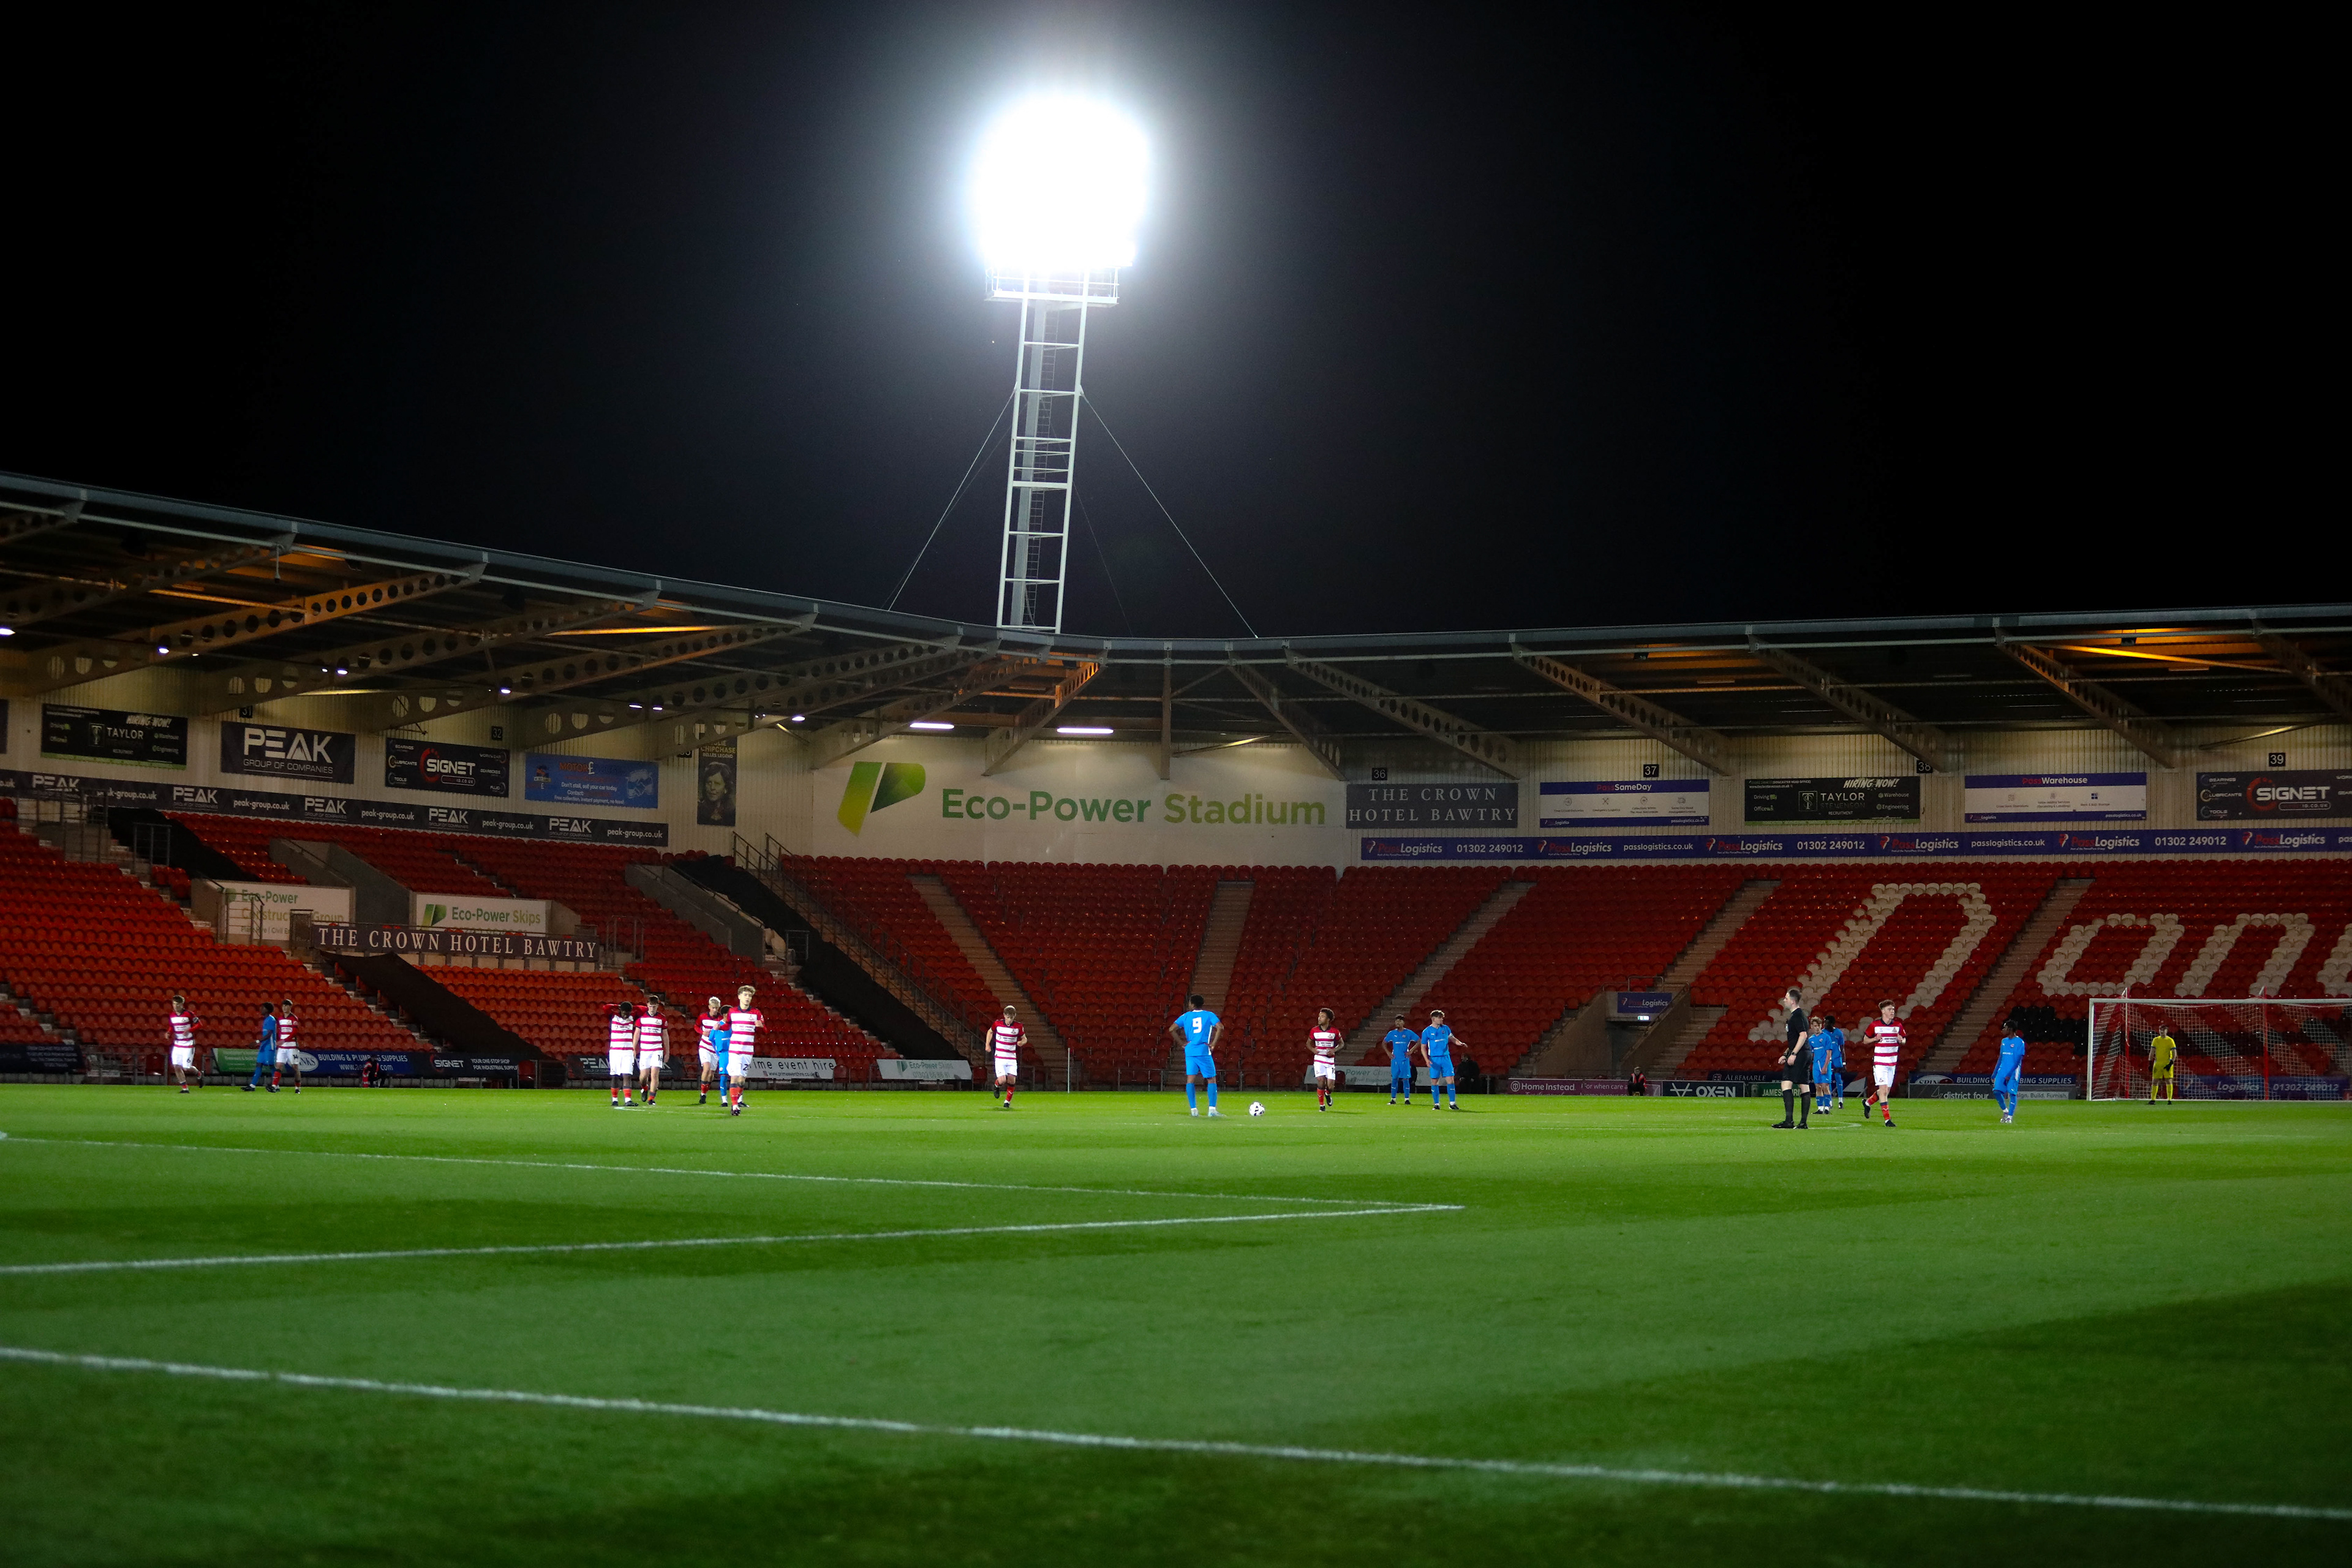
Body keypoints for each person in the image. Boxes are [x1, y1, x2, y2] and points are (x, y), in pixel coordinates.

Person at [1167, 995, 1223, 1118]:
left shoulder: (1186, 1016)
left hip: (1190, 1051)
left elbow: (1171, 1029)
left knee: (1190, 1080)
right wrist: (1213, 1044)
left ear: (1193, 1004)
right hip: (1203, 1050)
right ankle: (1212, 1110)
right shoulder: (1209, 1015)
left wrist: (1182, 1044)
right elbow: (1220, 1027)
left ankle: (1194, 1110)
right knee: (1211, 1079)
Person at [1861, 1001, 1905, 1127]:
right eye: (1890, 1009)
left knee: (1885, 1091)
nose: (1893, 1012)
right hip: (1880, 1062)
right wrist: (1875, 1039)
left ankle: (1868, 1103)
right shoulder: (1875, 1025)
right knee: (1884, 1091)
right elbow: (1865, 1040)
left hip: (1892, 1063)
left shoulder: (1898, 1025)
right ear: (1883, 1011)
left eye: (1893, 1009)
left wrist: (1901, 1041)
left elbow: (1904, 1039)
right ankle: (1887, 1120)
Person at [1774, 990, 1813, 1129]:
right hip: (1806, 1052)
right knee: (1804, 1085)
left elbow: (1803, 1036)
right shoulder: (1800, 1016)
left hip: (1800, 1053)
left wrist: (1794, 1054)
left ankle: (1789, 1121)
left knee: (1786, 1084)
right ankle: (1803, 1123)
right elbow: (1796, 1039)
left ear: (1793, 1001)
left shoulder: (1797, 1016)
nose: (1784, 1000)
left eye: (1786, 998)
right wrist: (1786, 1054)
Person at [724, 985, 763, 1117]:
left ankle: (737, 1101)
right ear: (739, 996)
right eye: (745, 995)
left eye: (750, 996)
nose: (748, 998)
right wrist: (719, 1026)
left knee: (742, 1079)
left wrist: (761, 1026)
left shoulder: (756, 1013)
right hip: (735, 1049)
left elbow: (765, 1030)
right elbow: (727, 1025)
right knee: (735, 1076)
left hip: (748, 1050)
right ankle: (735, 1106)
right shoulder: (732, 1012)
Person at [1420, 1010, 1463, 1110]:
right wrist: (1427, 1060)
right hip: (1434, 1059)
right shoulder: (1427, 1031)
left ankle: (1452, 1103)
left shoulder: (1445, 1028)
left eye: (1442, 1018)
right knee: (1435, 1081)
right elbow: (1423, 1047)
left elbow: (1453, 1039)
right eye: (1440, 1018)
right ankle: (1437, 1104)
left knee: (1451, 1080)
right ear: (1434, 1019)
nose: (1442, 1019)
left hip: (1445, 1058)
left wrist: (1460, 1043)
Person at [989, 1006, 1026, 1110]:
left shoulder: (1018, 1026)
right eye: (1008, 1017)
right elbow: (990, 1032)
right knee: (1002, 1080)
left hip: (1011, 1057)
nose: (1010, 1020)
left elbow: (1025, 1038)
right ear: (1004, 1015)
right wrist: (987, 1045)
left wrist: (1022, 1042)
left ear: (1015, 1016)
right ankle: (997, 1086)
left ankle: (1007, 1102)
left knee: (1012, 1080)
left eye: (1012, 1018)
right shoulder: (998, 1024)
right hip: (1000, 1057)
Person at [1993, 1020, 2028, 1123]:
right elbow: (2001, 1057)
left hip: (2013, 1071)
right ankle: (2005, 1111)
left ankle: (2010, 1117)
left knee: (2012, 1093)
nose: (2003, 1030)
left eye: (2005, 1028)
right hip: (2002, 1070)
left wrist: (2010, 1073)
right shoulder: (2004, 1041)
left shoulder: (2020, 1042)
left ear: (2011, 1029)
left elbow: (2018, 1060)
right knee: (1996, 1091)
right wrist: (1995, 1073)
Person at [166, 994, 202, 1093]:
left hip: (188, 1043)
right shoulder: (172, 1015)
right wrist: (169, 1033)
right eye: (174, 1004)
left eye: (178, 1004)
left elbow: (199, 1025)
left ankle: (199, 1073)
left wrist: (190, 1030)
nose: (176, 1006)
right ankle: (185, 1088)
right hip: (178, 1043)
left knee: (186, 1068)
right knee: (176, 1066)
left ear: (182, 1005)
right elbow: (172, 1027)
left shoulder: (189, 1014)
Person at [606, 1000, 638, 1107]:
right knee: (615, 1076)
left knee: (627, 1075)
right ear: (620, 1010)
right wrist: (618, 1006)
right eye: (624, 1012)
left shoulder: (632, 1018)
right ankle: (615, 1100)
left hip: (628, 1052)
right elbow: (606, 1008)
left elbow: (644, 1010)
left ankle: (628, 1100)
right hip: (615, 1051)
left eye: (628, 1012)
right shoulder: (613, 1017)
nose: (626, 1015)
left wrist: (633, 1007)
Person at [1310, 1008, 1342, 1110]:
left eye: (1322, 1016)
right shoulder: (1314, 1030)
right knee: (1321, 1081)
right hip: (1319, 1059)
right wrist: (1313, 1049)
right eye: (1319, 1016)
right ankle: (1322, 1106)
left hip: (1330, 1061)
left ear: (1328, 1019)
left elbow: (1341, 1044)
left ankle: (1327, 1094)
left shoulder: (1334, 1032)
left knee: (1331, 1086)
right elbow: (1308, 1043)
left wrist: (1334, 1050)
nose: (1319, 1018)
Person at [636, 1003, 668, 1106]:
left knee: (654, 1074)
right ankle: (645, 1088)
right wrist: (634, 1048)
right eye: (650, 1006)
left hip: (657, 1049)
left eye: (654, 1007)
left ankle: (651, 1099)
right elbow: (637, 1033)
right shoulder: (642, 1018)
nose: (652, 1009)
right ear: (648, 1005)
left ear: (657, 1006)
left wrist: (667, 1051)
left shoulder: (662, 1018)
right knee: (643, 1076)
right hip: (645, 1050)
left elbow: (665, 1035)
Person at [1381, 1015, 1417, 1104]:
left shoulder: (1408, 1033)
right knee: (1394, 1079)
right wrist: (1388, 1053)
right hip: (1395, 1059)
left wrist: (1411, 1051)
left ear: (1404, 1023)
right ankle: (1393, 1099)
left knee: (1406, 1079)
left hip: (1404, 1059)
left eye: (1400, 1021)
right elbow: (1384, 1043)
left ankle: (1407, 1099)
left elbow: (1419, 1041)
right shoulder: (1392, 1033)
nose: (1398, 1023)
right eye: (1397, 1021)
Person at [697, 995, 726, 1104]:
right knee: (706, 1068)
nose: (715, 1010)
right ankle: (702, 1094)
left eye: (717, 1008)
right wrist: (702, 1032)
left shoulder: (720, 1019)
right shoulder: (703, 1017)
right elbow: (696, 1026)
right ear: (709, 1007)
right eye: (713, 1008)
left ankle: (705, 1092)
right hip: (705, 1046)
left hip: (715, 1049)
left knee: (711, 1073)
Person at [244, 1003, 279, 1093]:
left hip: (270, 1046)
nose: (261, 1009)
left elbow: (269, 1035)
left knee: (271, 1065)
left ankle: (276, 1086)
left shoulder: (271, 1020)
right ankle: (252, 1086)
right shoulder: (266, 1020)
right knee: (259, 1064)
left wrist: (257, 1042)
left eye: (263, 1008)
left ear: (267, 1010)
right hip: (264, 1046)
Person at [270, 999, 303, 1093]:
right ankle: (274, 1086)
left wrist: (284, 1040)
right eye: (283, 1006)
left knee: (295, 1067)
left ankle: (298, 1087)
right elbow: (280, 1032)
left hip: (292, 1047)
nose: (284, 1008)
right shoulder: (280, 1019)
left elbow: (294, 1033)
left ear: (290, 1007)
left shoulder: (294, 1018)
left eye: (286, 1006)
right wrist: (279, 1041)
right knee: (279, 1065)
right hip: (282, 1047)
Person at [1818, 1012, 1847, 1109]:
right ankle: (1829, 1101)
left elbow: (1842, 1048)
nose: (1824, 1024)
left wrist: (1844, 1063)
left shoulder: (1838, 1033)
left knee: (1838, 1078)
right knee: (1828, 1080)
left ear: (1832, 1023)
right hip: (1827, 1059)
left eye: (1826, 1022)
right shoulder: (1823, 1033)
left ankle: (1840, 1101)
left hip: (1837, 1058)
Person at [2147, 1025, 2178, 1102]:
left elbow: (2174, 1054)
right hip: (2158, 1063)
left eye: (2163, 1030)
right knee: (2155, 1081)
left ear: (2167, 1031)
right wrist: (2150, 1062)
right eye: (2160, 1030)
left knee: (2168, 1081)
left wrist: (2170, 1064)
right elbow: (2152, 1052)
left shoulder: (2170, 1040)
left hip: (2167, 1063)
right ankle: (2153, 1099)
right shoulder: (2156, 1040)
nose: (2162, 1031)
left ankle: (2170, 1099)